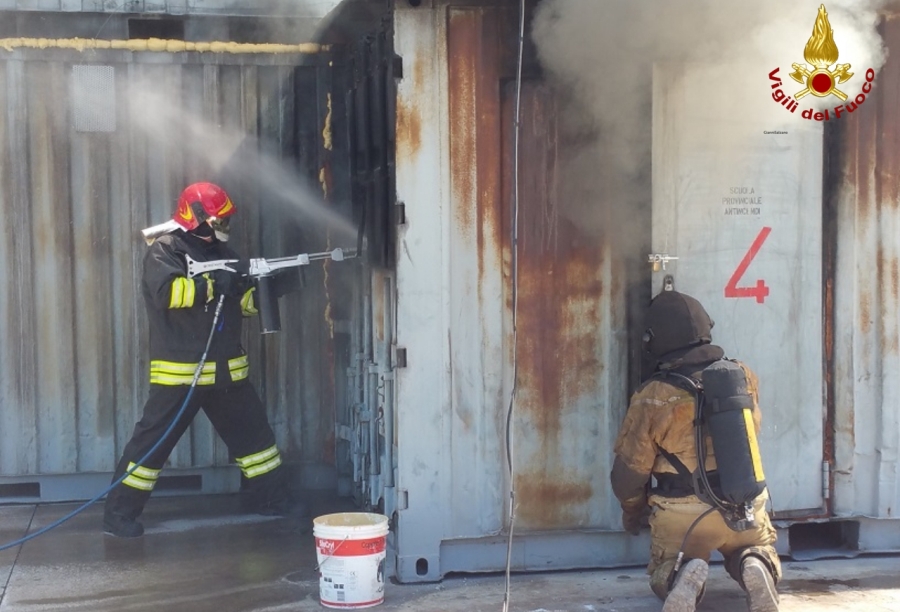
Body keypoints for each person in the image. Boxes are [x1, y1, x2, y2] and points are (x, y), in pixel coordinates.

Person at [103, 181, 302, 538]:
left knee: (256, 442)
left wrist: (273, 289)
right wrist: (212, 285)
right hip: (182, 373)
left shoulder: (222, 253)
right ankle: (118, 514)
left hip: (226, 372)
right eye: (218, 220)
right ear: (196, 217)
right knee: (151, 447)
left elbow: (241, 305)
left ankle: (274, 500)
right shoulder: (166, 249)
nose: (224, 227)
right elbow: (167, 293)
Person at [610, 289, 781, 612]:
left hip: (684, 517)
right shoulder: (742, 376)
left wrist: (633, 514)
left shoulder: (653, 395)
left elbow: (628, 476)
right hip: (745, 507)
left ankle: (683, 573)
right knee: (758, 549)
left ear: (652, 340)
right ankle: (753, 562)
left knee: (665, 571)